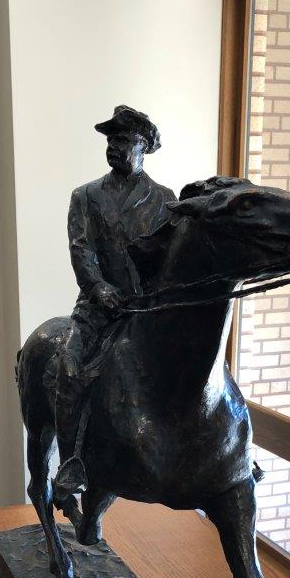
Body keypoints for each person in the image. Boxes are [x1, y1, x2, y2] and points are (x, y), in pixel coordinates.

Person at [54, 105, 176, 494]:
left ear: (144, 147)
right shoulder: (85, 196)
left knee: (198, 361)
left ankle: (221, 448)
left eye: (123, 140)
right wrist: (98, 288)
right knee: (71, 370)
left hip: (148, 310)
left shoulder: (164, 200)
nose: (114, 147)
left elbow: (168, 258)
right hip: (97, 309)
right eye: (111, 140)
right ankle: (72, 461)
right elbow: (81, 249)